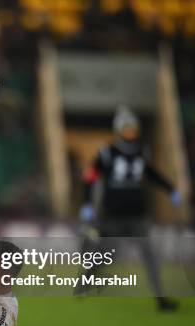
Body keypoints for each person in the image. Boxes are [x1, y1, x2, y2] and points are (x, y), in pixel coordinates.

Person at [77, 105, 181, 311]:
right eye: (127, 128)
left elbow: (151, 174)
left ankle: (161, 298)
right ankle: (86, 280)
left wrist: (170, 190)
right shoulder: (107, 153)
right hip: (113, 215)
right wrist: (87, 203)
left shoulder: (142, 151)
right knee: (108, 255)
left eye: (133, 128)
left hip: (137, 214)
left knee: (149, 254)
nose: (131, 132)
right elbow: (90, 177)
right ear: (119, 130)